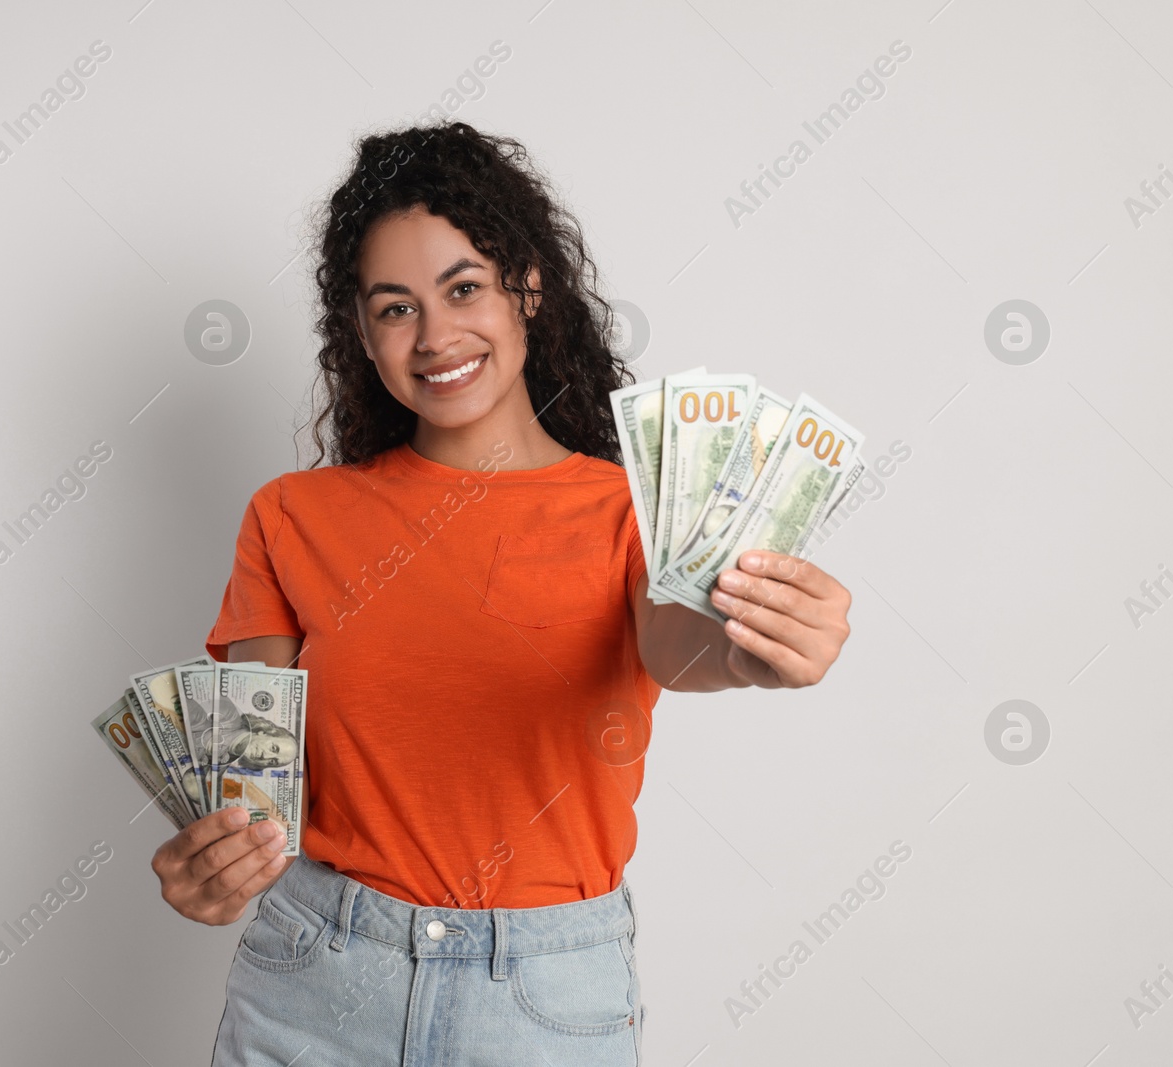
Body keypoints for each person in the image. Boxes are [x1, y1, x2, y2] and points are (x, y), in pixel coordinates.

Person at [151, 121, 853, 1066]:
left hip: (540, 1002)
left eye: (463, 288)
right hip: (313, 983)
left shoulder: (627, 512)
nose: (436, 336)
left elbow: (678, 644)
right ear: (360, 330)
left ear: (527, 285)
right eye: (395, 308)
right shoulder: (290, 517)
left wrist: (754, 647)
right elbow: (246, 789)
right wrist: (213, 868)